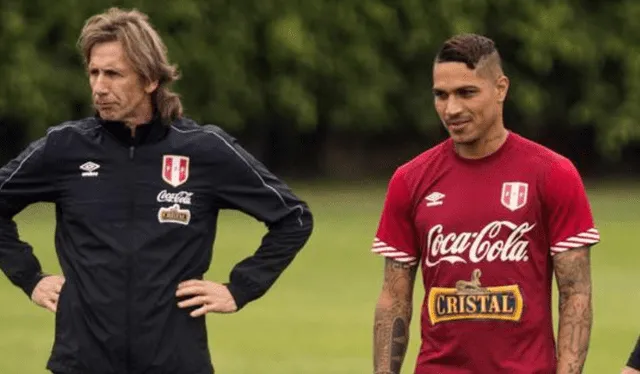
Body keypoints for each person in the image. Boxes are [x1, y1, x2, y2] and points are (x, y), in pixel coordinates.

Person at [0, 7, 313, 374]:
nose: (99, 87)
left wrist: (240, 288)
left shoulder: (205, 150)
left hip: (176, 362)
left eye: (114, 74)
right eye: (94, 72)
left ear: (150, 79)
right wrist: (29, 277)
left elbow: (293, 219)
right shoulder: (65, 148)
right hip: (81, 362)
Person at [371, 33, 599, 374]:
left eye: (467, 93)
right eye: (441, 95)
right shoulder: (410, 180)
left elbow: (575, 293)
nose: (452, 109)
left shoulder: (553, 174)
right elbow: (394, 299)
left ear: (501, 88)